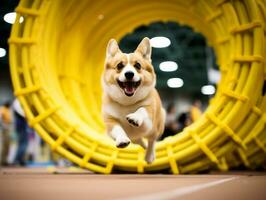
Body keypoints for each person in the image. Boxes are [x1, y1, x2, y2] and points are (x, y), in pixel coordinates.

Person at [13, 99, 29, 166]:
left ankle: (20, 160)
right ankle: (17, 160)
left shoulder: (18, 102)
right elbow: (22, 113)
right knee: (23, 143)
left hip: (21, 126)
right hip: (21, 126)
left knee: (23, 143)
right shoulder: (18, 102)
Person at [0, 101, 12, 166]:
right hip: (5, 129)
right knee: (5, 145)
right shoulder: (2, 109)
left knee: (7, 146)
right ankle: (2, 161)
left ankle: (5, 161)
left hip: (8, 128)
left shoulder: (7, 110)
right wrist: (4, 126)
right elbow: (1, 120)